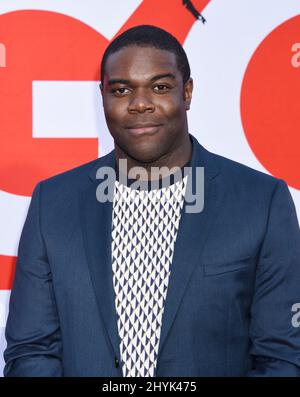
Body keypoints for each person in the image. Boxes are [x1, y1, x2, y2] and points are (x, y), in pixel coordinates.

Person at [3, 25, 300, 377]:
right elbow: (31, 350)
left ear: (187, 92)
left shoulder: (260, 203)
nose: (140, 103)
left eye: (159, 87)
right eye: (121, 89)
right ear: (103, 97)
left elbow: (281, 358)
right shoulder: (52, 203)